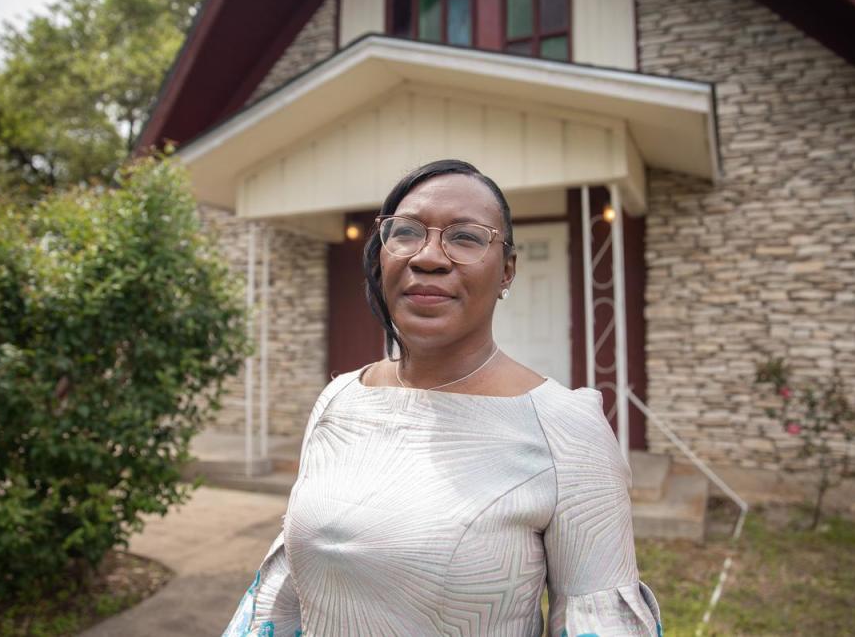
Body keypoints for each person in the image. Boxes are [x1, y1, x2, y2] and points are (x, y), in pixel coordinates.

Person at [222, 160, 663, 636]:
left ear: (507, 271)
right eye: (406, 233)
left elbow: (597, 621)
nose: (428, 257)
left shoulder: (566, 430)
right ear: (382, 256)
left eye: (466, 237)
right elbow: (282, 592)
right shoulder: (339, 401)